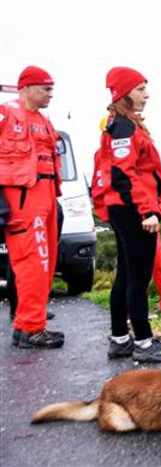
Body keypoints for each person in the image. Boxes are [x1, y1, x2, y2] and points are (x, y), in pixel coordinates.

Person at [95, 66, 161, 362]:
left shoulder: (124, 125)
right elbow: (122, 175)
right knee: (138, 279)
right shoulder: (123, 128)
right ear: (124, 94)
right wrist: (147, 211)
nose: (147, 94)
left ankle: (120, 339)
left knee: (126, 275)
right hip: (134, 211)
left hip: (125, 210)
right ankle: (144, 344)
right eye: (141, 89)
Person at [94, 116, 161, 317]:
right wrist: (143, 212)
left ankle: (136, 317)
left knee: (137, 267)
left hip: (139, 212)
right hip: (138, 213)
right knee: (148, 265)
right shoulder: (112, 150)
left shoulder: (118, 148)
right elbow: (104, 185)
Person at [1, 66, 65, 348]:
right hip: (24, 197)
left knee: (46, 262)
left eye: (51, 89)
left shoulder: (44, 120)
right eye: (45, 88)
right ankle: (30, 329)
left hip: (47, 194)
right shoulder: (6, 115)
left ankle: (28, 323)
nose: (50, 94)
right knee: (32, 262)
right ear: (25, 88)